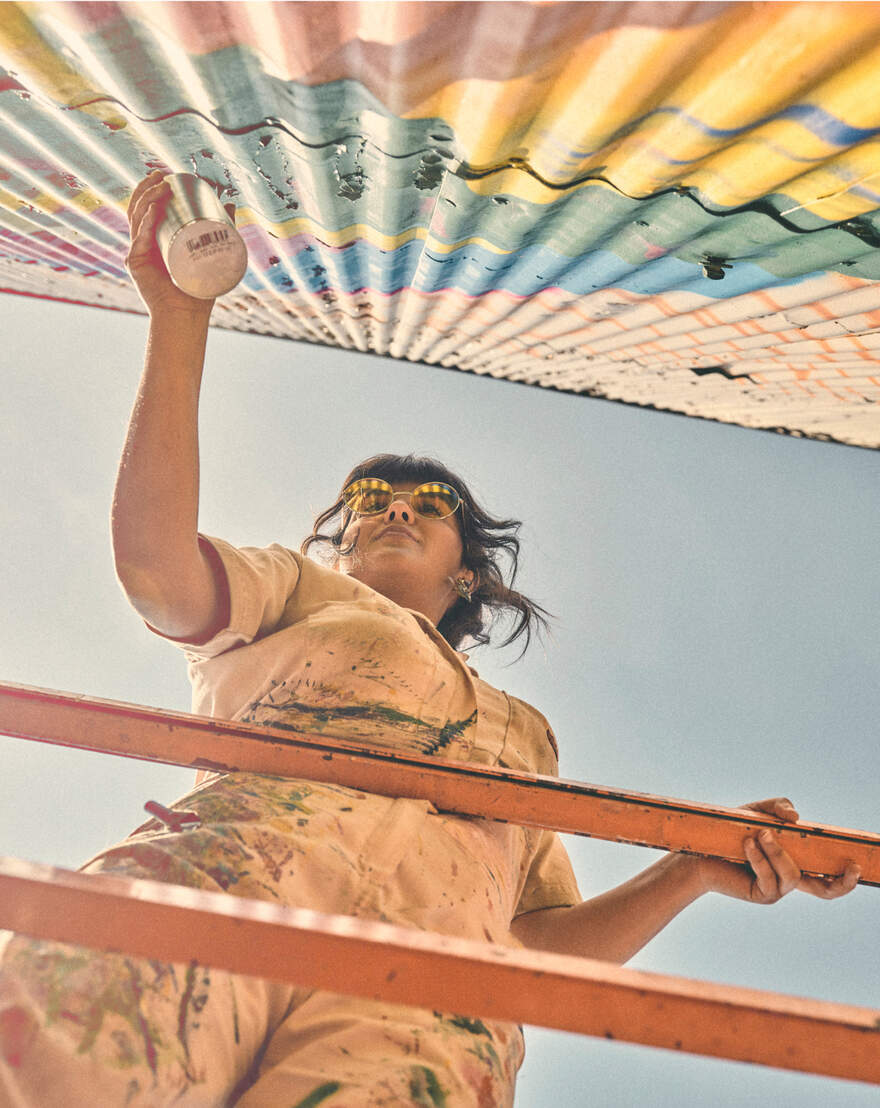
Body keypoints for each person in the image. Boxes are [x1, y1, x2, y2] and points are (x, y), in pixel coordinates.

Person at [0, 171, 861, 1108]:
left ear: (468, 573)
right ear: (349, 536)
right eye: (371, 502)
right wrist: (180, 318)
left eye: (431, 502)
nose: (397, 507)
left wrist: (688, 868)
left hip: (436, 1002)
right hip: (232, 878)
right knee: (56, 1067)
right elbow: (157, 572)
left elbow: (534, 943)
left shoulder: (524, 733)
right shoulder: (296, 590)